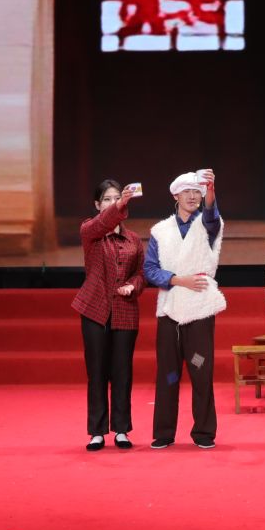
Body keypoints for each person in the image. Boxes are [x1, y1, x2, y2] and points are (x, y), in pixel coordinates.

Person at [144, 167, 224, 449]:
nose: (192, 196)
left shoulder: (208, 224)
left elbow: (211, 214)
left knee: (200, 370)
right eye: (187, 192)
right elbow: (150, 269)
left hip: (199, 309)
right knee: (168, 373)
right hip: (170, 310)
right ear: (175, 196)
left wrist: (210, 189)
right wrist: (179, 280)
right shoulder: (160, 231)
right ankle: (164, 433)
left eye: (197, 192)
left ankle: (203, 433)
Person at [73, 178, 145, 450]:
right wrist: (120, 205)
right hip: (94, 309)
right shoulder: (89, 230)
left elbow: (141, 273)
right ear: (97, 204)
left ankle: (121, 430)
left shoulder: (134, 239)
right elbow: (102, 223)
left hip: (125, 310)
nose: (113, 203)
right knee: (97, 372)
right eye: (107, 199)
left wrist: (133, 286)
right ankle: (97, 431)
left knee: (122, 372)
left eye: (117, 198)